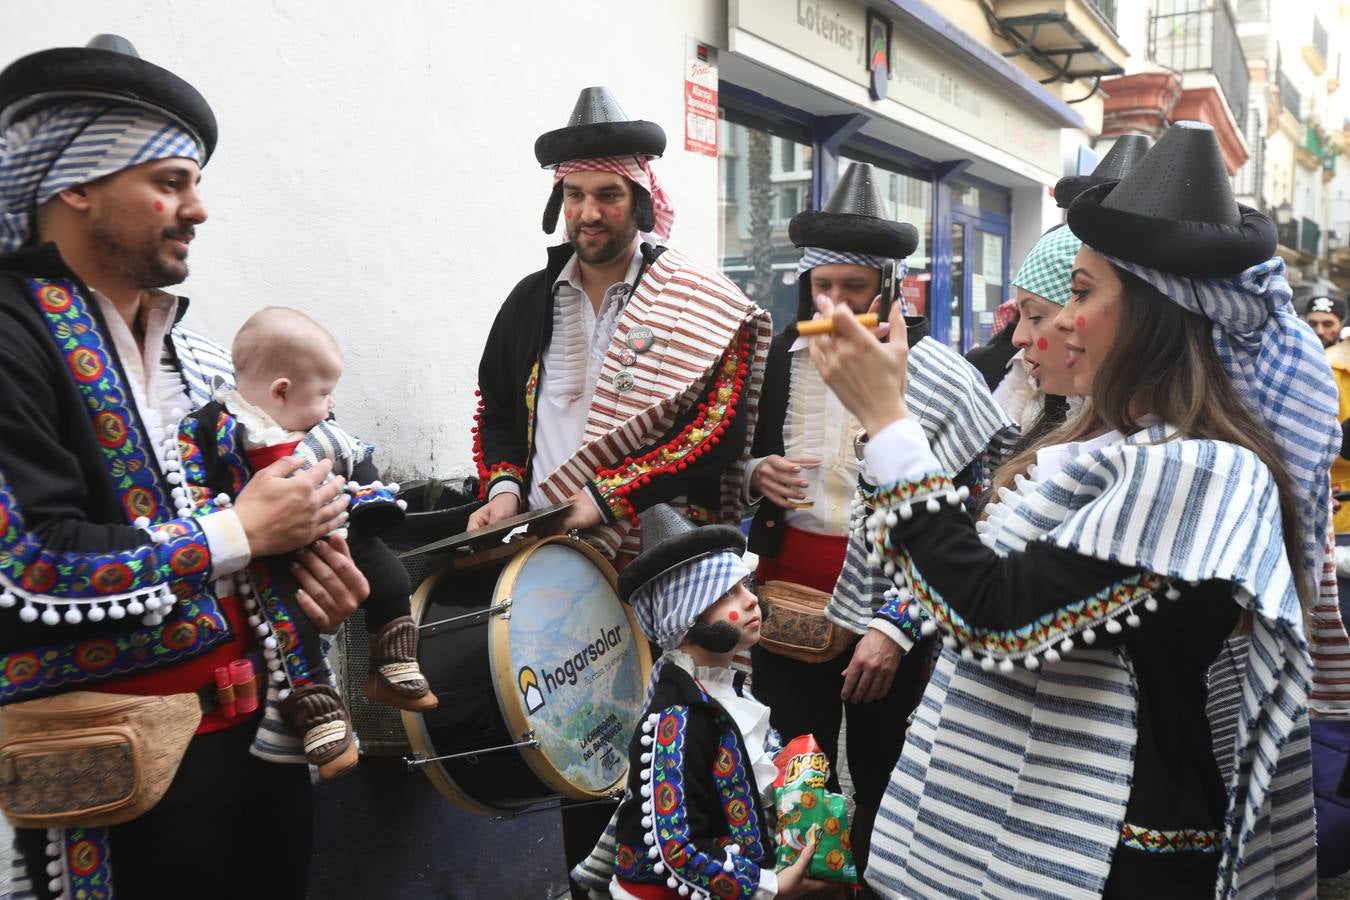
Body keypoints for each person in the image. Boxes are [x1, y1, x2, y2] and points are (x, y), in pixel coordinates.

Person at [811, 121, 1339, 897]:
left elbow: (995, 616)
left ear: (1157, 313)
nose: (1054, 323)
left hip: (1116, 854)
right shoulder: (1112, 451)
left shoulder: (1205, 472)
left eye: (1082, 294)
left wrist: (891, 424)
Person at [0, 36, 366, 899]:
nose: (196, 209)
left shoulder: (197, 359)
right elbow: (29, 566)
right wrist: (243, 531)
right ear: (78, 184)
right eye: (169, 183)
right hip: (119, 766)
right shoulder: (12, 337)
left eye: (195, 184)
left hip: (264, 744)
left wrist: (316, 573)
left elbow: (250, 537)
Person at [468, 86, 771, 895]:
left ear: (641, 198)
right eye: (574, 195)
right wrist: (501, 489)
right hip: (557, 566)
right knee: (583, 747)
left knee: (684, 754)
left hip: (665, 561)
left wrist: (610, 495)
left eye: (607, 194)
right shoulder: (530, 303)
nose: (589, 212)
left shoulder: (696, 306)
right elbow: (497, 413)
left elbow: (709, 435)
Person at [744, 161, 1009, 881]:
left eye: (852, 288)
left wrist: (895, 630)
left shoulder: (944, 376)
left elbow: (966, 520)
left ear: (890, 289)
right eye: (821, 286)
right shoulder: (771, 360)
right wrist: (752, 474)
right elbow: (725, 464)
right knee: (795, 778)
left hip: (893, 616)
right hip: (783, 605)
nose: (832, 304)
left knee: (886, 783)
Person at [178, 305, 436, 780]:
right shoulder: (217, 429)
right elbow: (194, 488)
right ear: (282, 391)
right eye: (324, 393)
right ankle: (319, 711)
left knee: (392, 575)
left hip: (338, 531)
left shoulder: (322, 432)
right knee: (293, 630)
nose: (331, 405)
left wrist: (371, 501)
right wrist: (227, 521)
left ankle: (392, 658)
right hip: (271, 555)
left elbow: (360, 464)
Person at [597, 503, 824, 899]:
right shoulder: (678, 717)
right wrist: (771, 888)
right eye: (728, 593)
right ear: (685, 617)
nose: (751, 599)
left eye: (745, 586)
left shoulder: (726, 689)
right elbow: (675, 851)